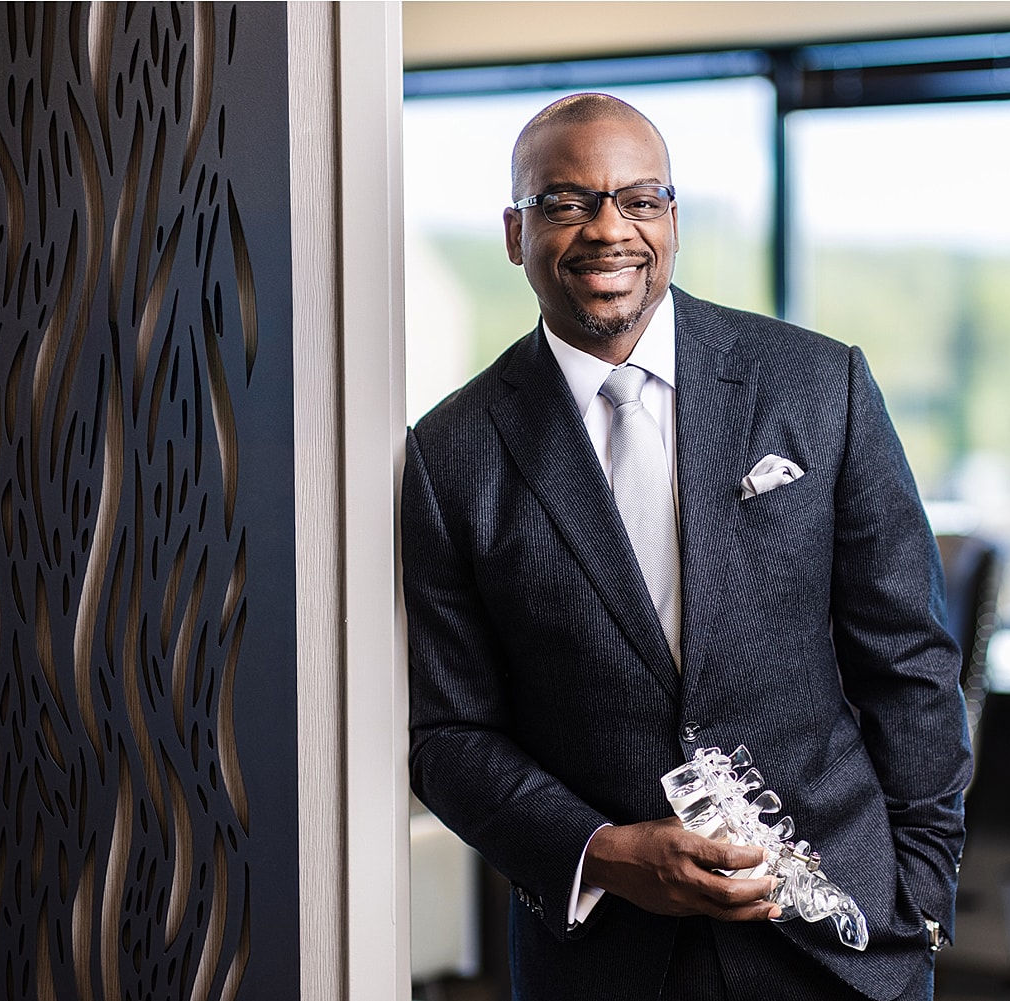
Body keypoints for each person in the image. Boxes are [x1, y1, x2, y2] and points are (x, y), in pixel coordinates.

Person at [402, 93, 972, 1001]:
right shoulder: (449, 453)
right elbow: (449, 733)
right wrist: (604, 854)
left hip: (843, 944)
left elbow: (907, 660)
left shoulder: (821, 385)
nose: (608, 229)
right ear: (516, 233)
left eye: (640, 199)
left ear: (673, 219)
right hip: (605, 962)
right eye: (566, 202)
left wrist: (924, 897)